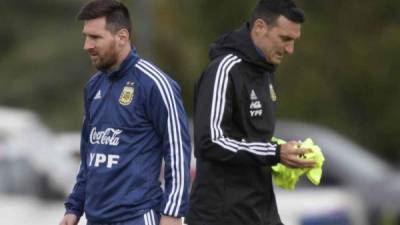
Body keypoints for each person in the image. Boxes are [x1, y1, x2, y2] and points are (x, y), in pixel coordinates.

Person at [59, 1, 191, 225]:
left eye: (95, 37)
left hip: (138, 217)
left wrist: (172, 212)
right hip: (96, 219)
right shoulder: (93, 88)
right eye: (86, 37)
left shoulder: (155, 84)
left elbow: (177, 151)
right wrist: (74, 208)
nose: (86, 45)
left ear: (121, 36)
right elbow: (90, 157)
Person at [186, 0, 315, 225]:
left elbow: (251, 139)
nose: (290, 49)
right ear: (260, 27)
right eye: (285, 39)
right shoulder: (224, 69)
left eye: (294, 41)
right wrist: (274, 152)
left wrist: (286, 153)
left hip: (260, 212)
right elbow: (209, 141)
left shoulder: (266, 72)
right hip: (220, 216)